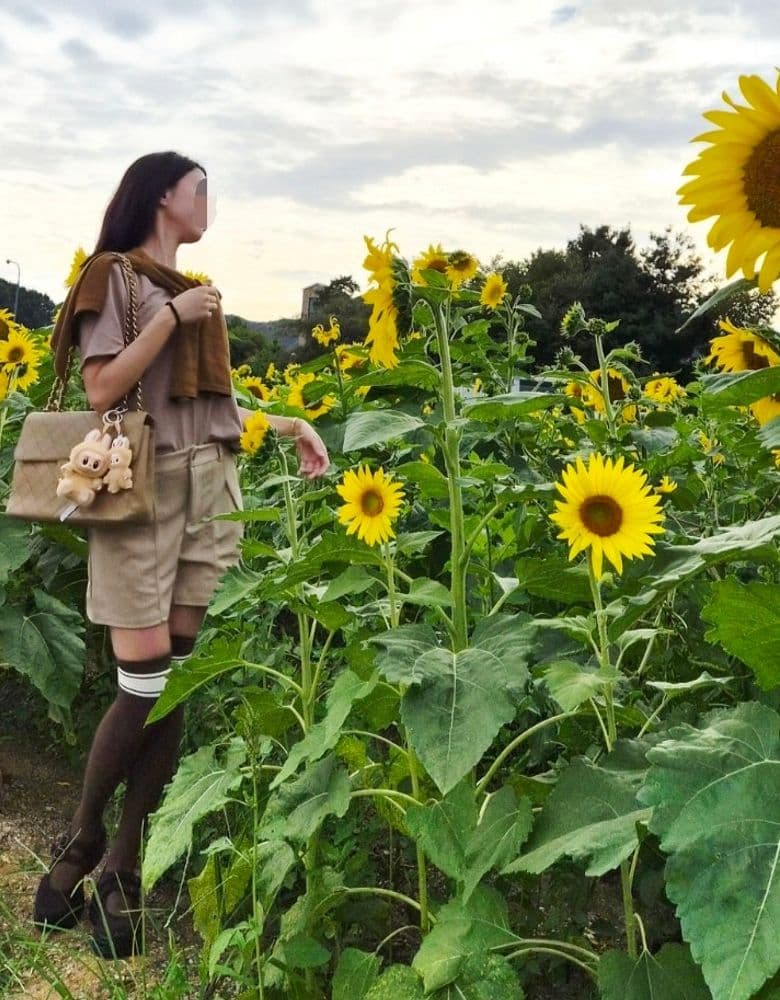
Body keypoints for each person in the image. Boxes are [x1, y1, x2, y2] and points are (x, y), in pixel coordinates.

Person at [35, 151, 329, 958]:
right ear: (165, 194)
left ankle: (126, 866)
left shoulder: (197, 294)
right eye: (202, 189)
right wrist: (174, 318)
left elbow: (208, 410)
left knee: (177, 683)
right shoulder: (118, 280)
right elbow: (102, 389)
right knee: (144, 683)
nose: (209, 205)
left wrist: (286, 424)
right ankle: (83, 839)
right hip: (141, 491)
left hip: (210, 491)